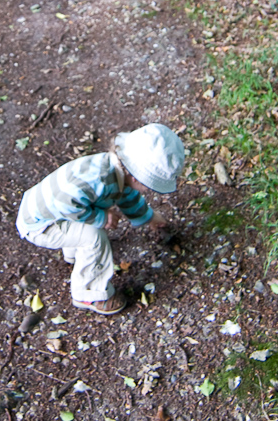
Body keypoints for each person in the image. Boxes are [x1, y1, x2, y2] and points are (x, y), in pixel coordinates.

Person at [16, 124, 185, 315]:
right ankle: (88, 292)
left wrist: (150, 217)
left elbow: (127, 196)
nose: (148, 190)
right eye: (149, 186)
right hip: (40, 225)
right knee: (94, 237)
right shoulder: (100, 180)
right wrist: (101, 218)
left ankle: (74, 254)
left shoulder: (115, 169)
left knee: (85, 220)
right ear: (138, 178)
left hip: (53, 211)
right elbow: (66, 202)